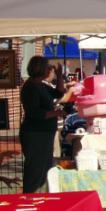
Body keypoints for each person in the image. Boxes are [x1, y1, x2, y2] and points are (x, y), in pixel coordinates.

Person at [20, 57, 78, 193]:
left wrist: (59, 76)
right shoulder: (30, 87)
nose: (50, 69)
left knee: (45, 168)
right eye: (48, 67)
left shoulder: (42, 85)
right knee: (35, 170)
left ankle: (39, 198)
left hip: (45, 134)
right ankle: (29, 199)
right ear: (39, 68)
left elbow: (58, 93)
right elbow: (34, 113)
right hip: (35, 134)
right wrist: (57, 113)